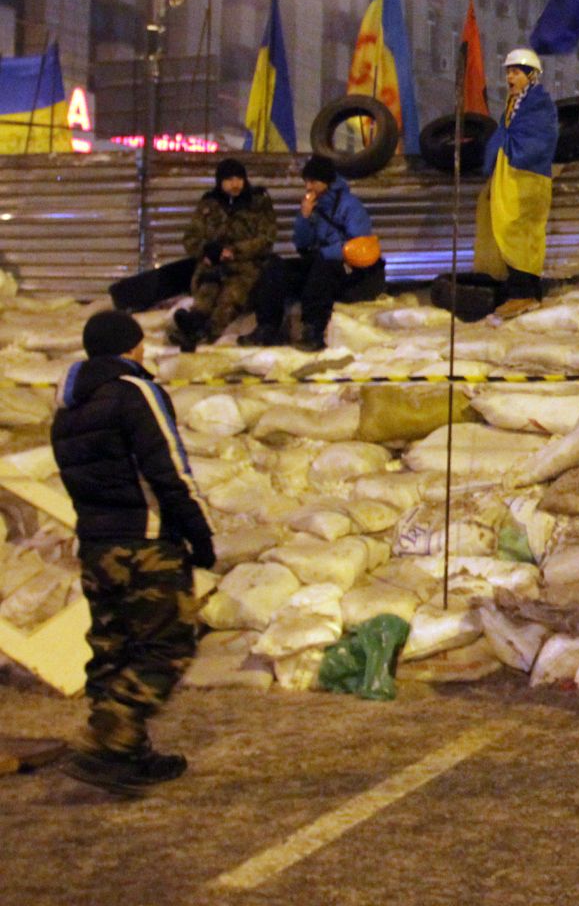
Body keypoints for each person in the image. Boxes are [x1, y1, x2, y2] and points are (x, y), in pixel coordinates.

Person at [50, 310, 216, 796]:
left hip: (98, 545)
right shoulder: (135, 392)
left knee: (114, 649)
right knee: (168, 645)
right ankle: (108, 740)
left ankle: (128, 755)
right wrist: (200, 534)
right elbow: (169, 468)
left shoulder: (68, 409)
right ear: (131, 345)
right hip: (145, 544)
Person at [244, 155, 384, 352]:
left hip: (350, 267)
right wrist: (305, 217)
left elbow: (360, 242)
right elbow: (301, 243)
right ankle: (266, 327)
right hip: (320, 262)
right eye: (306, 181)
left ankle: (313, 330)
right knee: (276, 267)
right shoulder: (311, 205)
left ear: (326, 181)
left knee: (322, 267)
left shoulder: (350, 205)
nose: (308, 186)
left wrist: (326, 254)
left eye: (313, 181)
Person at [474, 47, 559, 321]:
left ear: (531, 76)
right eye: (508, 71)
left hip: (528, 179)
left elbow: (539, 140)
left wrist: (513, 155)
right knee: (507, 230)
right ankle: (522, 292)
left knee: (521, 233)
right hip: (510, 177)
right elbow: (504, 136)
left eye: (516, 72)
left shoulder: (539, 105)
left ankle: (524, 293)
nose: (510, 77)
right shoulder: (514, 105)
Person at [171, 157, 276, 351]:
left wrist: (234, 251)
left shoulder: (258, 203)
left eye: (238, 178)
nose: (235, 184)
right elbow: (191, 238)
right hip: (213, 267)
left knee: (229, 300)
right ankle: (193, 324)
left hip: (245, 268)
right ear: (220, 182)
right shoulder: (209, 205)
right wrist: (207, 250)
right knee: (205, 298)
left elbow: (265, 240)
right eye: (229, 180)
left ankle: (204, 334)